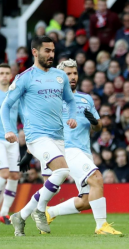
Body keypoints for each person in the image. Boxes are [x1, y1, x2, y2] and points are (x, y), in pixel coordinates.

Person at [2, 36, 77, 236]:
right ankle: (39, 211)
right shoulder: (25, 77)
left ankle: (21, 215)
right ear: (35, 52)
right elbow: (6, 105)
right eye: (46, 51)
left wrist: (72, 116)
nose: (51, 55)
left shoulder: (59, 76)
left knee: (54, 185)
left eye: (52, 51)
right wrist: (9, 129)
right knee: (62, 171)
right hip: (36, 136)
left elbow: (70, 101)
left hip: (57, 135)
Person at [43, 59, 121, 235]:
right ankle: (101, 226)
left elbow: (98, 126)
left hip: (85, 150)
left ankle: (49, 212)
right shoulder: (52, 100)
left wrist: (94, 122)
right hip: (66, 150)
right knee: (97, 178)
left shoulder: (86, 99)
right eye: (68, 74)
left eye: (75, 73)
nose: (72, 77)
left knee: (86, 200)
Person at [0, 63, 20, 225]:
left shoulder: (15, 95)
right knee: (4, 174)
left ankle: (4, 213)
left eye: (7, 73)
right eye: (1, 73)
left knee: (14, 175)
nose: (4, 76)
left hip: (13, 139)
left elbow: (23, 115)